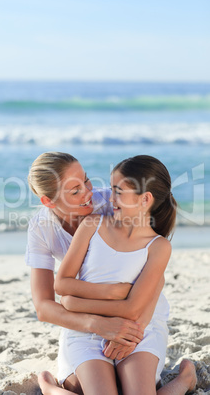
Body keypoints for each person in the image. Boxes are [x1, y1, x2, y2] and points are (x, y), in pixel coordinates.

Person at [39, 155, 197, 395]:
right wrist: (113, 292)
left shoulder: (158, 247)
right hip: (87, 332)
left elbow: (133, 310)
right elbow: (61, 284)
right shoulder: (92, 225)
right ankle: (50, 388)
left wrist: (75, 303)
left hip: (136, 330)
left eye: (118, 192)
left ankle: (184, 379)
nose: (109, 198)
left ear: (145, 199)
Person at [26, 152, 160, 394]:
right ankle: (50, 387)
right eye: (75, 191)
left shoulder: (113, 203)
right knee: (79, 387)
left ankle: (182, 380)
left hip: (138, 307)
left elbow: (156, 273)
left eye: (86, 181)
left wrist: (133, 328)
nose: (88, 192)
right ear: (49, 202)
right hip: (86, 312)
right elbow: (44, 307)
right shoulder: (41, 228)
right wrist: (96, 324)